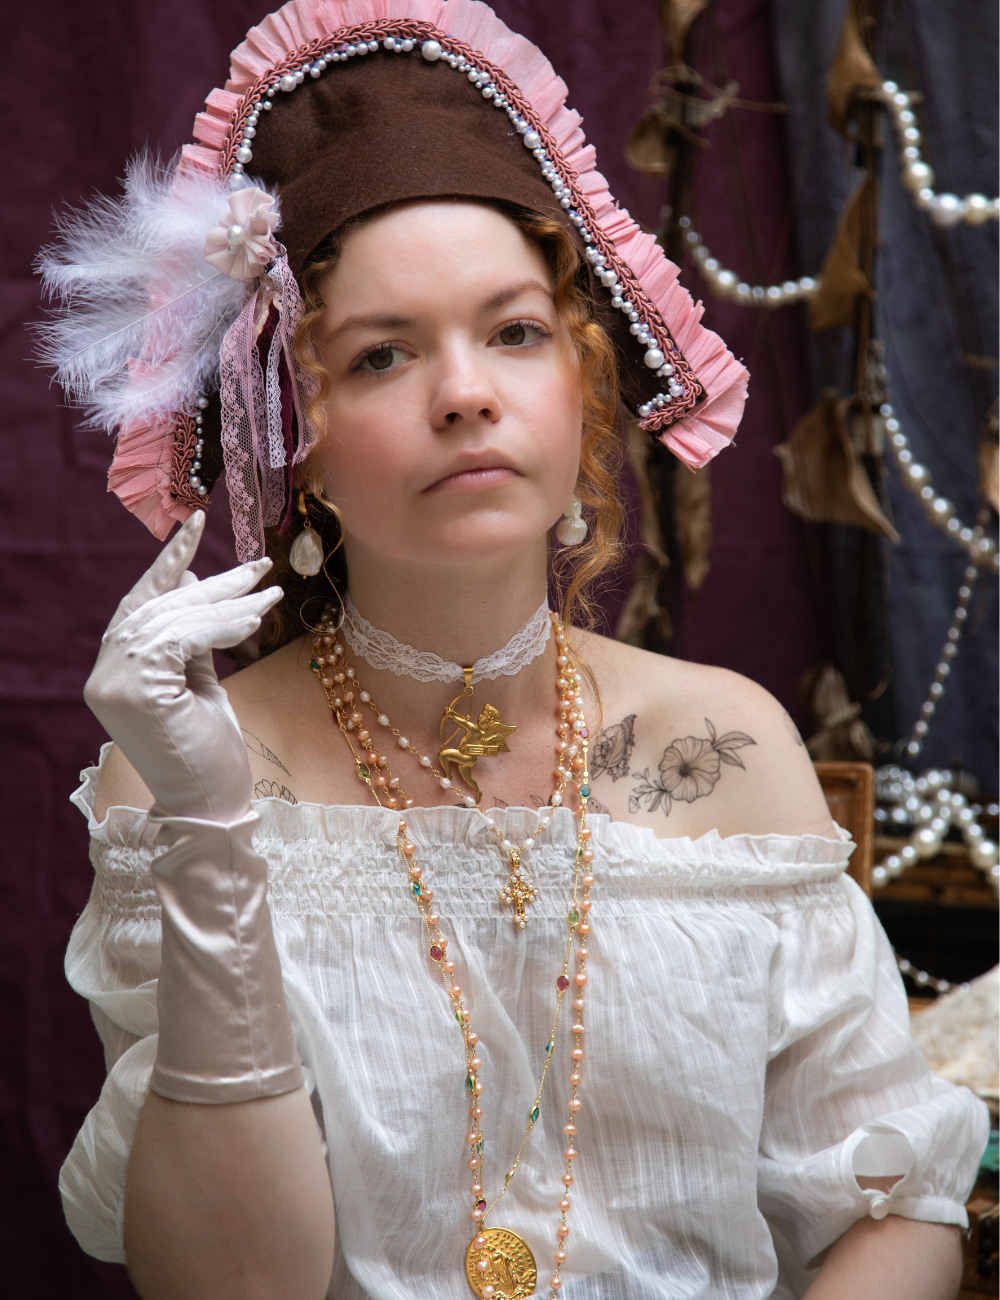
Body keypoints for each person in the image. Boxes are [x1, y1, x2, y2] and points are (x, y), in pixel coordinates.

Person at [39, 3, 986, 1298]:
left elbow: (901, 1206)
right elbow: (226, 1285)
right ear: (293, 438)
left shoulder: (732, 741)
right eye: (382, 354)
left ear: (581, 387)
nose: (467, 391)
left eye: (515, 331)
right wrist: (209, 827)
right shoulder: (182, 782)